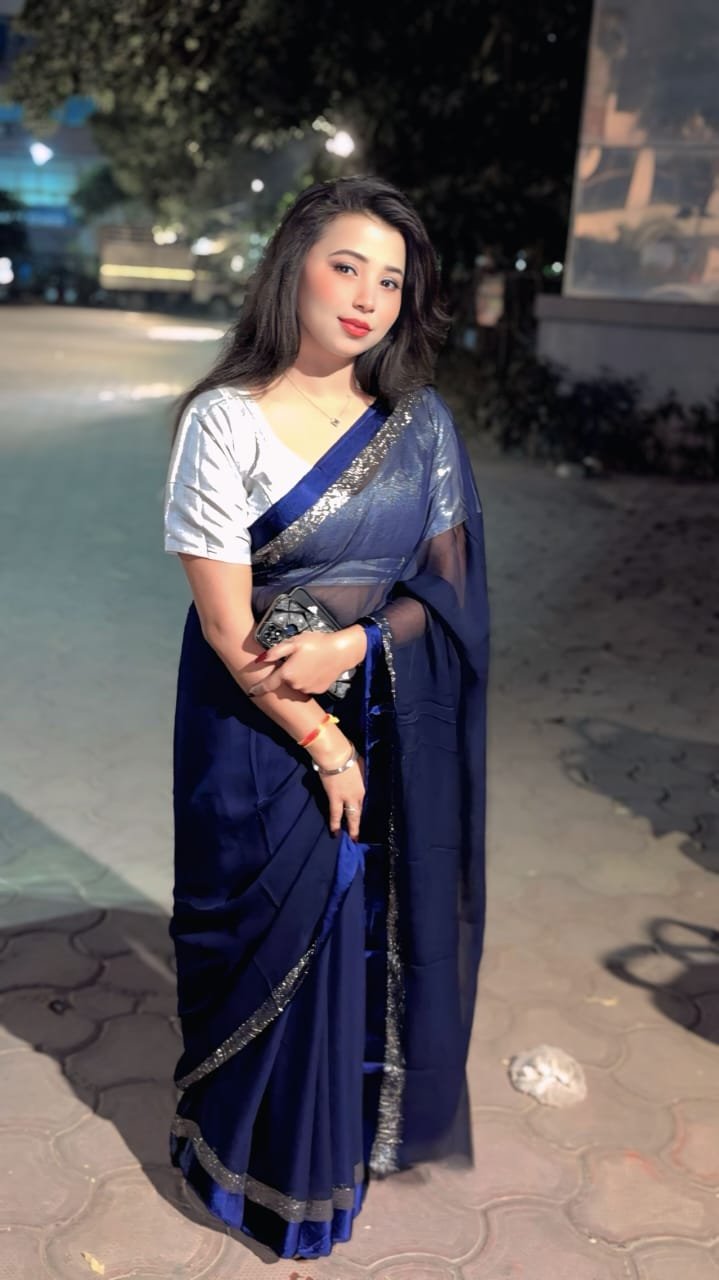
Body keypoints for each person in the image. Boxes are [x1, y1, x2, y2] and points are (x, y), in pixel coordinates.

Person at [163, 175, 490, 1261]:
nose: (364, 298)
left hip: (385, 711)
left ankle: (322, 1153)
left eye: (389, 281)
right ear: (291, 268)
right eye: (345, 266)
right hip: (254, 731)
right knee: (253, 934)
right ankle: (236, 1159)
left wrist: (354, 649)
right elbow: (227, 626)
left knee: (357, 937)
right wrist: (324, 741)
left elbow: (446, 594)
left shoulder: (419, 425)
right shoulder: (222, 419)